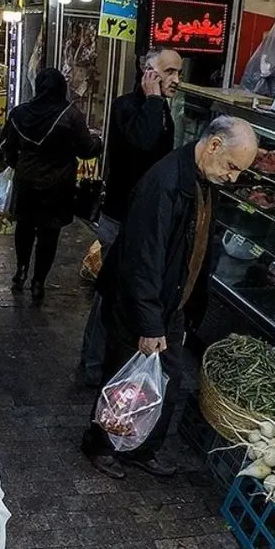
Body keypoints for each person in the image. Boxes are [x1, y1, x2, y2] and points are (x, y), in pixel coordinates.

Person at [83, 116, 258, 479]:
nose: (233, 177)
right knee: (125, 382)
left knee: (166, 381)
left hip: (172, 302)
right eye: (232, 167)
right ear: (213, 145)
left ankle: (142, 447)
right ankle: (101, 445)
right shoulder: (163, 184)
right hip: (140, 304)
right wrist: (149, 323)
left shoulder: (204, 179)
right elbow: (142, 259)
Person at [79, 46, 183, 387]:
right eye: (168, 72)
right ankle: (92, 365)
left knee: (128, 293)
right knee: (109, 292)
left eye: (179, 73)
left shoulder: (164, 109)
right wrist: (153, 99)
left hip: (144, 218)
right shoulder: (127, 106)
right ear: (149, 73)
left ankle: (111, 361)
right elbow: (141, 142)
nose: (176, 80)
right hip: (120, 218)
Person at [2, 69, 103, 301]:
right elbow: (86, 149)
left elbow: (8, 147)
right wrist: (98, 142)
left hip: (26, 181)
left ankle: (21, 271)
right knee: (49, 234)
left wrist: (19, 165)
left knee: (24, 228)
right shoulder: (71, 115)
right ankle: (38, 282)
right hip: (58, 186)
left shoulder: (20, 113)